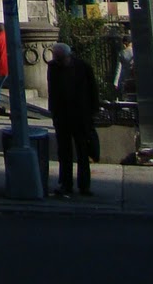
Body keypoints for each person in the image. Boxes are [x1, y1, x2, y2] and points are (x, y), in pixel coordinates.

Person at [47, 41, 98, 198]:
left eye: (60, 59)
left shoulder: (82, 67)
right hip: (62, 116)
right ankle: (66, 183)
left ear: (67, 56)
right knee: (64, 152)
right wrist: (53, 111)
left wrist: (92, 112)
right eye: (56, 58)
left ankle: (84, 185)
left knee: (82, 152)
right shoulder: (53, 67)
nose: (58, 61)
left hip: (80, 115)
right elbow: (52, 90)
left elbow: (93, 89)